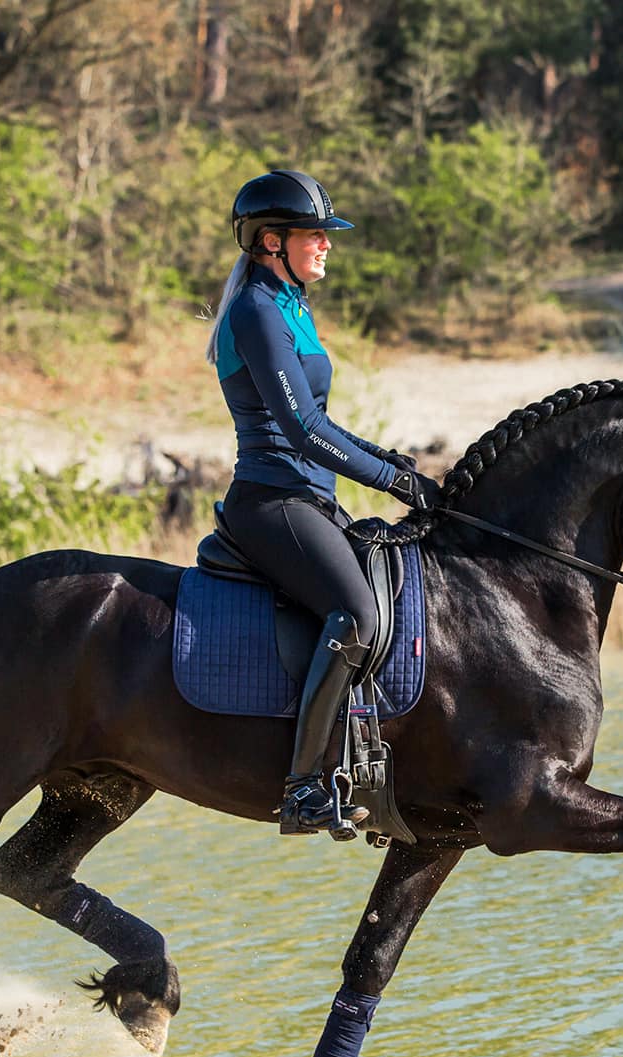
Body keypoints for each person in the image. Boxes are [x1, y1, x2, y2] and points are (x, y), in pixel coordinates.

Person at [207, 169, 441, 838]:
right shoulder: (255, 309)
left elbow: (322, 424)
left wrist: (389, 463)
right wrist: (391, 482)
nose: (327, 245)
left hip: (311, 498)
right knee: (359, 614)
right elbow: (302, 428)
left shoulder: (290, 303)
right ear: (270, 241)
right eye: (315, 235)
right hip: (273, 500)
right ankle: (305, 786)